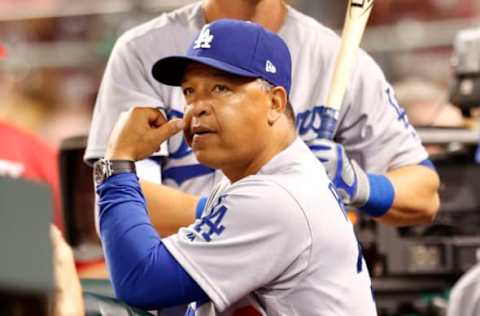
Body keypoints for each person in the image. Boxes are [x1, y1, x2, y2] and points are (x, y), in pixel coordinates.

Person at [95, 19, 377, 315]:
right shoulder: (257, 181)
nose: (197, 107)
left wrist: (117, 162)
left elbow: (141, 280)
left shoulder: (276, 197)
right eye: (189, 91)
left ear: (275, 103)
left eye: (221, 88)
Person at [85, 0, 439, 235]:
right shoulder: (143, 51)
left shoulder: (337, 58)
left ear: (276, 101)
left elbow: (424, 194)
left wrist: (358, 183)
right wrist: (242, 213)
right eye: (191, 91)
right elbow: (122, 202)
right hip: (188, 288)